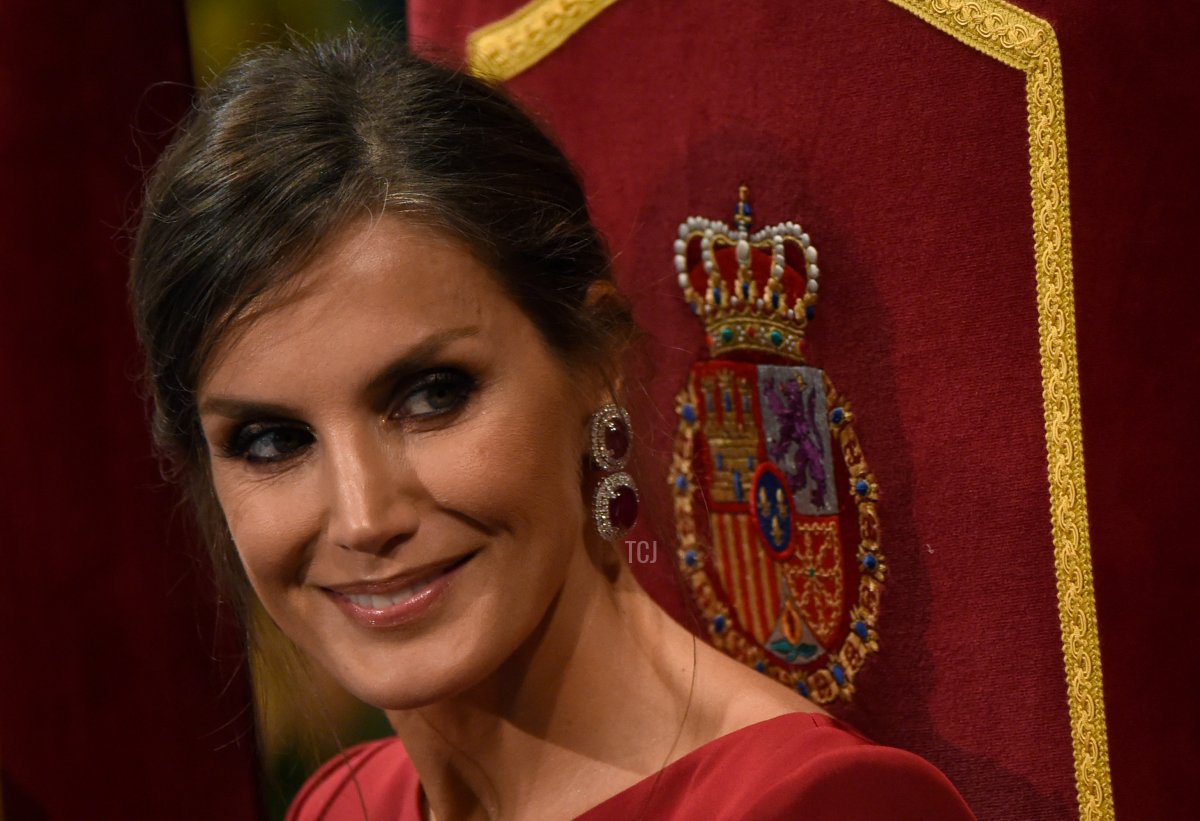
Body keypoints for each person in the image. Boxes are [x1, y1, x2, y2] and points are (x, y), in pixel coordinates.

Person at [129, 31, 975, 821]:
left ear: (597, 361)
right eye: (271, 440)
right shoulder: (346, 806)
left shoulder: (815, 804)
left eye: (432, 395)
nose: (363, 515)